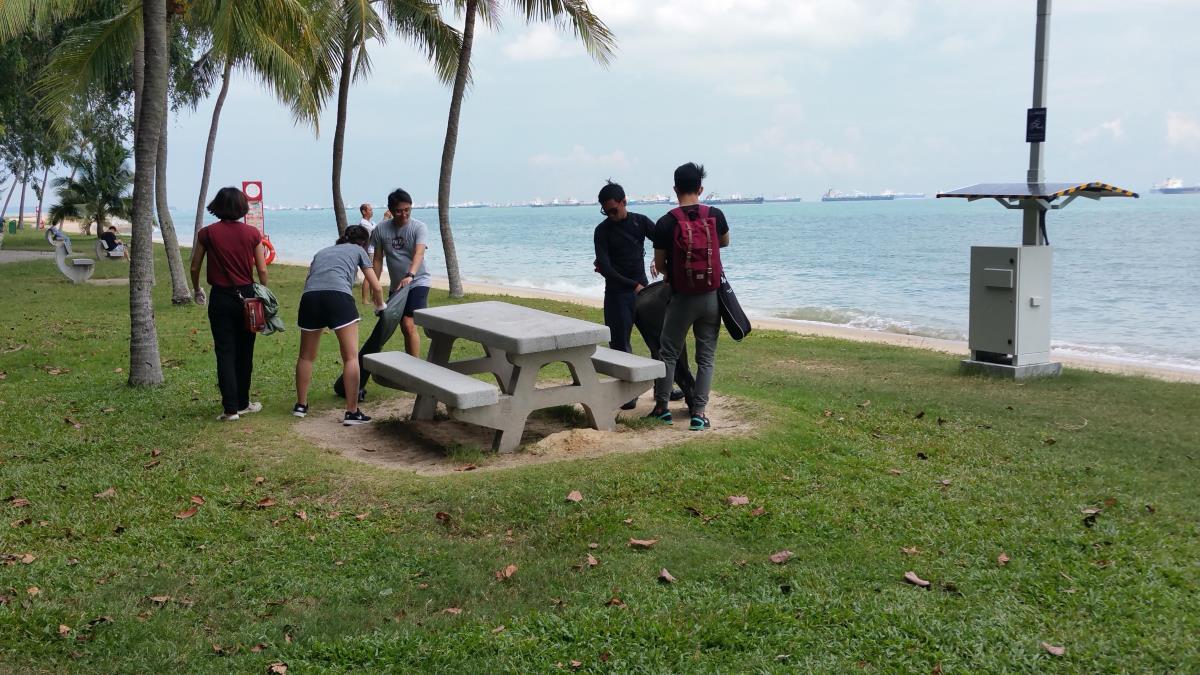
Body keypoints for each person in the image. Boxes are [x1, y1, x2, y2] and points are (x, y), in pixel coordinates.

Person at [648, 162, 730, 431]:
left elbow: (659, 267)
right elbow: (725, 242)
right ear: (701, 188)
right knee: (705, 357)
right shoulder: (716, 214)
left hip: (681, 298)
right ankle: (700, 413)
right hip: (711, 297)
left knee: (668, 352)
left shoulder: (665, 222)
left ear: (674, 189)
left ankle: (662, 408)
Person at [334, 189, 431, 400]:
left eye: (407, 210)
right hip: (397, 287)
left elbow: (419, 253)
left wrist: (411, 275)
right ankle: (357, 377)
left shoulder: (419, 227)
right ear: (390, 211)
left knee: (408, 323)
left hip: (418, 281)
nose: (404, 215)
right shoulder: (381, 229)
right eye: (399, 211)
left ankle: (415, 373)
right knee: (387, 328)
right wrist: (373, 283)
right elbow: (377, 259)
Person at [189, 187, 269, 422]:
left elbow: (195, 267)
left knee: (225, 351)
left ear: (218, 206)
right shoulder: (252, 233)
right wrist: (263, 291)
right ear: (242, 207)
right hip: (248, 297)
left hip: (220, 297)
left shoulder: (207, 234)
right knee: (246, 351)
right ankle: (244, 403)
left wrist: (196, 289)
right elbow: (262, 269)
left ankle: (230, 409)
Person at [294, 225, 386, 425]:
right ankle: (352, 412)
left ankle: (301, 405)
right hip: (338, 297)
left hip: (310, 298)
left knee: (306, 356)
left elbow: (309, 279)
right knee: (351, 357)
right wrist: (380, 307)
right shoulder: (359, 250)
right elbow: (376, 285)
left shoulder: (322, 252)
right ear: (364, 242)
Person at [593, 180, 656, 409]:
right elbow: (607, 269)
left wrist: (657, 259)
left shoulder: (640, 222)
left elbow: (663, 241)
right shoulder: (602, 231)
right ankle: (628, 393)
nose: (610, 215)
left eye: (613, 209)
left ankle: (663, 388)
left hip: (644, 292)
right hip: (618, 295)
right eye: (605, 211)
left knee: (656, 341)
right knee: (620, 346)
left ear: (624, 201)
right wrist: (633, 286)